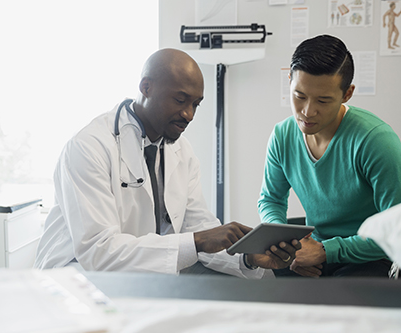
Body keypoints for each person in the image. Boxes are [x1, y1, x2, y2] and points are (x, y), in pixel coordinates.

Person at [34, 48, 300, 278]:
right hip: (76, 276)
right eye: (180, 100)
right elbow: (99, 253)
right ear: (146, 87)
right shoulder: (89, 147)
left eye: (196, 104)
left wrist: (248, 257)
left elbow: (196, 227)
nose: (189, 114)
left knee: (235, 288)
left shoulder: (181, 152)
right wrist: (198, 241)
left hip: (139, 275)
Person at [257, 35, 401, 278]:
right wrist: (286, 246)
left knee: (336, 302)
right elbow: (271, 200)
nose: (307, 111)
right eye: (299, 96)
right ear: (289, 81)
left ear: (347, 94)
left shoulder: (376, 140)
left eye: (323, 100)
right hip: (313, 250)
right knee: (262, 286)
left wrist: (325, 251)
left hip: (369, 257)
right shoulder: (282, 135)